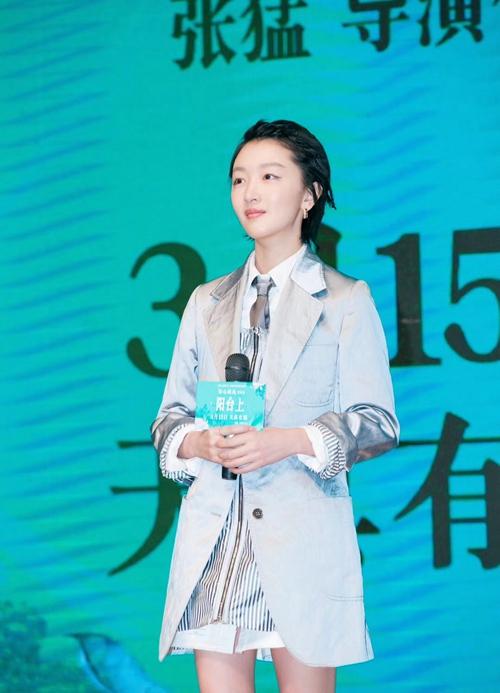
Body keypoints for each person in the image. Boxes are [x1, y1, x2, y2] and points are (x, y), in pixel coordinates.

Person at [151, 119, 399, 693]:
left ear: (310, 195)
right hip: (216, 543)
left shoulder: (344, 299)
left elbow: (378, 422)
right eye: (239, 179)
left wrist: (287, 441)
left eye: (269, 176)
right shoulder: (207, 301)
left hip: (300, 545)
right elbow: (169, 418)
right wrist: (199, 442)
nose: (250, 193)